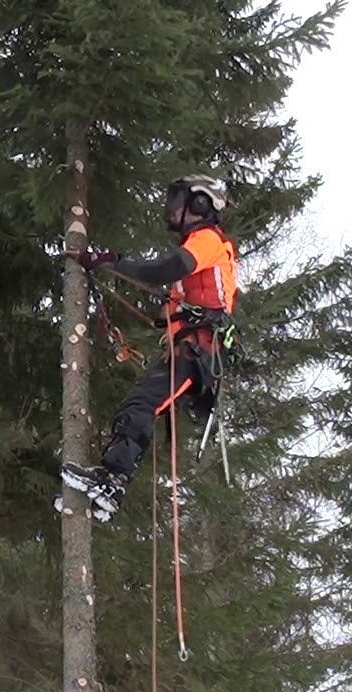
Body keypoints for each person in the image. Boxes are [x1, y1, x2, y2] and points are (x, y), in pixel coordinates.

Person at [60, 174, 239, 523]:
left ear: (200, 204)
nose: (172, 209)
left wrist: (112, 261)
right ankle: (110, 484)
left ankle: (112, 480)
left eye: (180, 201)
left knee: (141, 404)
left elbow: (165, 269)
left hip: (198, 353)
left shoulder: (207, 240)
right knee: (140, 403)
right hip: (191, 351)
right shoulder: (199, 251)